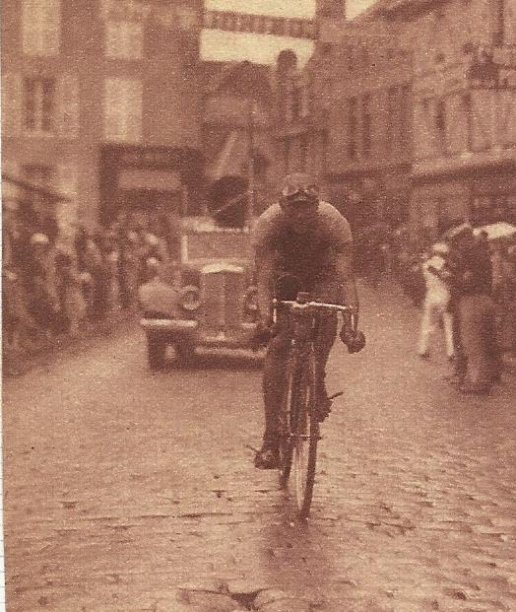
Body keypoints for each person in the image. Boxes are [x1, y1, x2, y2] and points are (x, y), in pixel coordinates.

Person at [252, 173, 365, 469]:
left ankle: (318, 376)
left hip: (322, 276)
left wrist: (351, 325)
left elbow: (345, 278)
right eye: (294, 208)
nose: (301, 215)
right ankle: (271, 439)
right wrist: (265, 319)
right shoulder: (268, 223)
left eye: (307, 208)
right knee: (279, 345)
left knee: (325, 317)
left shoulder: (334, 222)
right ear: (283, 207)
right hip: (284, 277)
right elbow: (264, 278)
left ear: (317, 206)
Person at [446, 224, 502, 394]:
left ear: (466, 239)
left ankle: (477, 382)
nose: (458, 245)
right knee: (486, 341)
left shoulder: (471, 255)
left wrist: (450, 279)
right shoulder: (483, 252)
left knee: (473, 342)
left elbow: (467, 282)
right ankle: (488, 377)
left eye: (458, 241)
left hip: (472, 301)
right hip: (485, 298)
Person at [418, 242, 454, 360]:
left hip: (431, 295)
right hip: (444, 296)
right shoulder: (447, 266)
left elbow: (424, 279)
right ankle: (451, 352)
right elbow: (449, 280)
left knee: (427, 322)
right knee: (448, 324)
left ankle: (423, 349)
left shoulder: (426, 264)